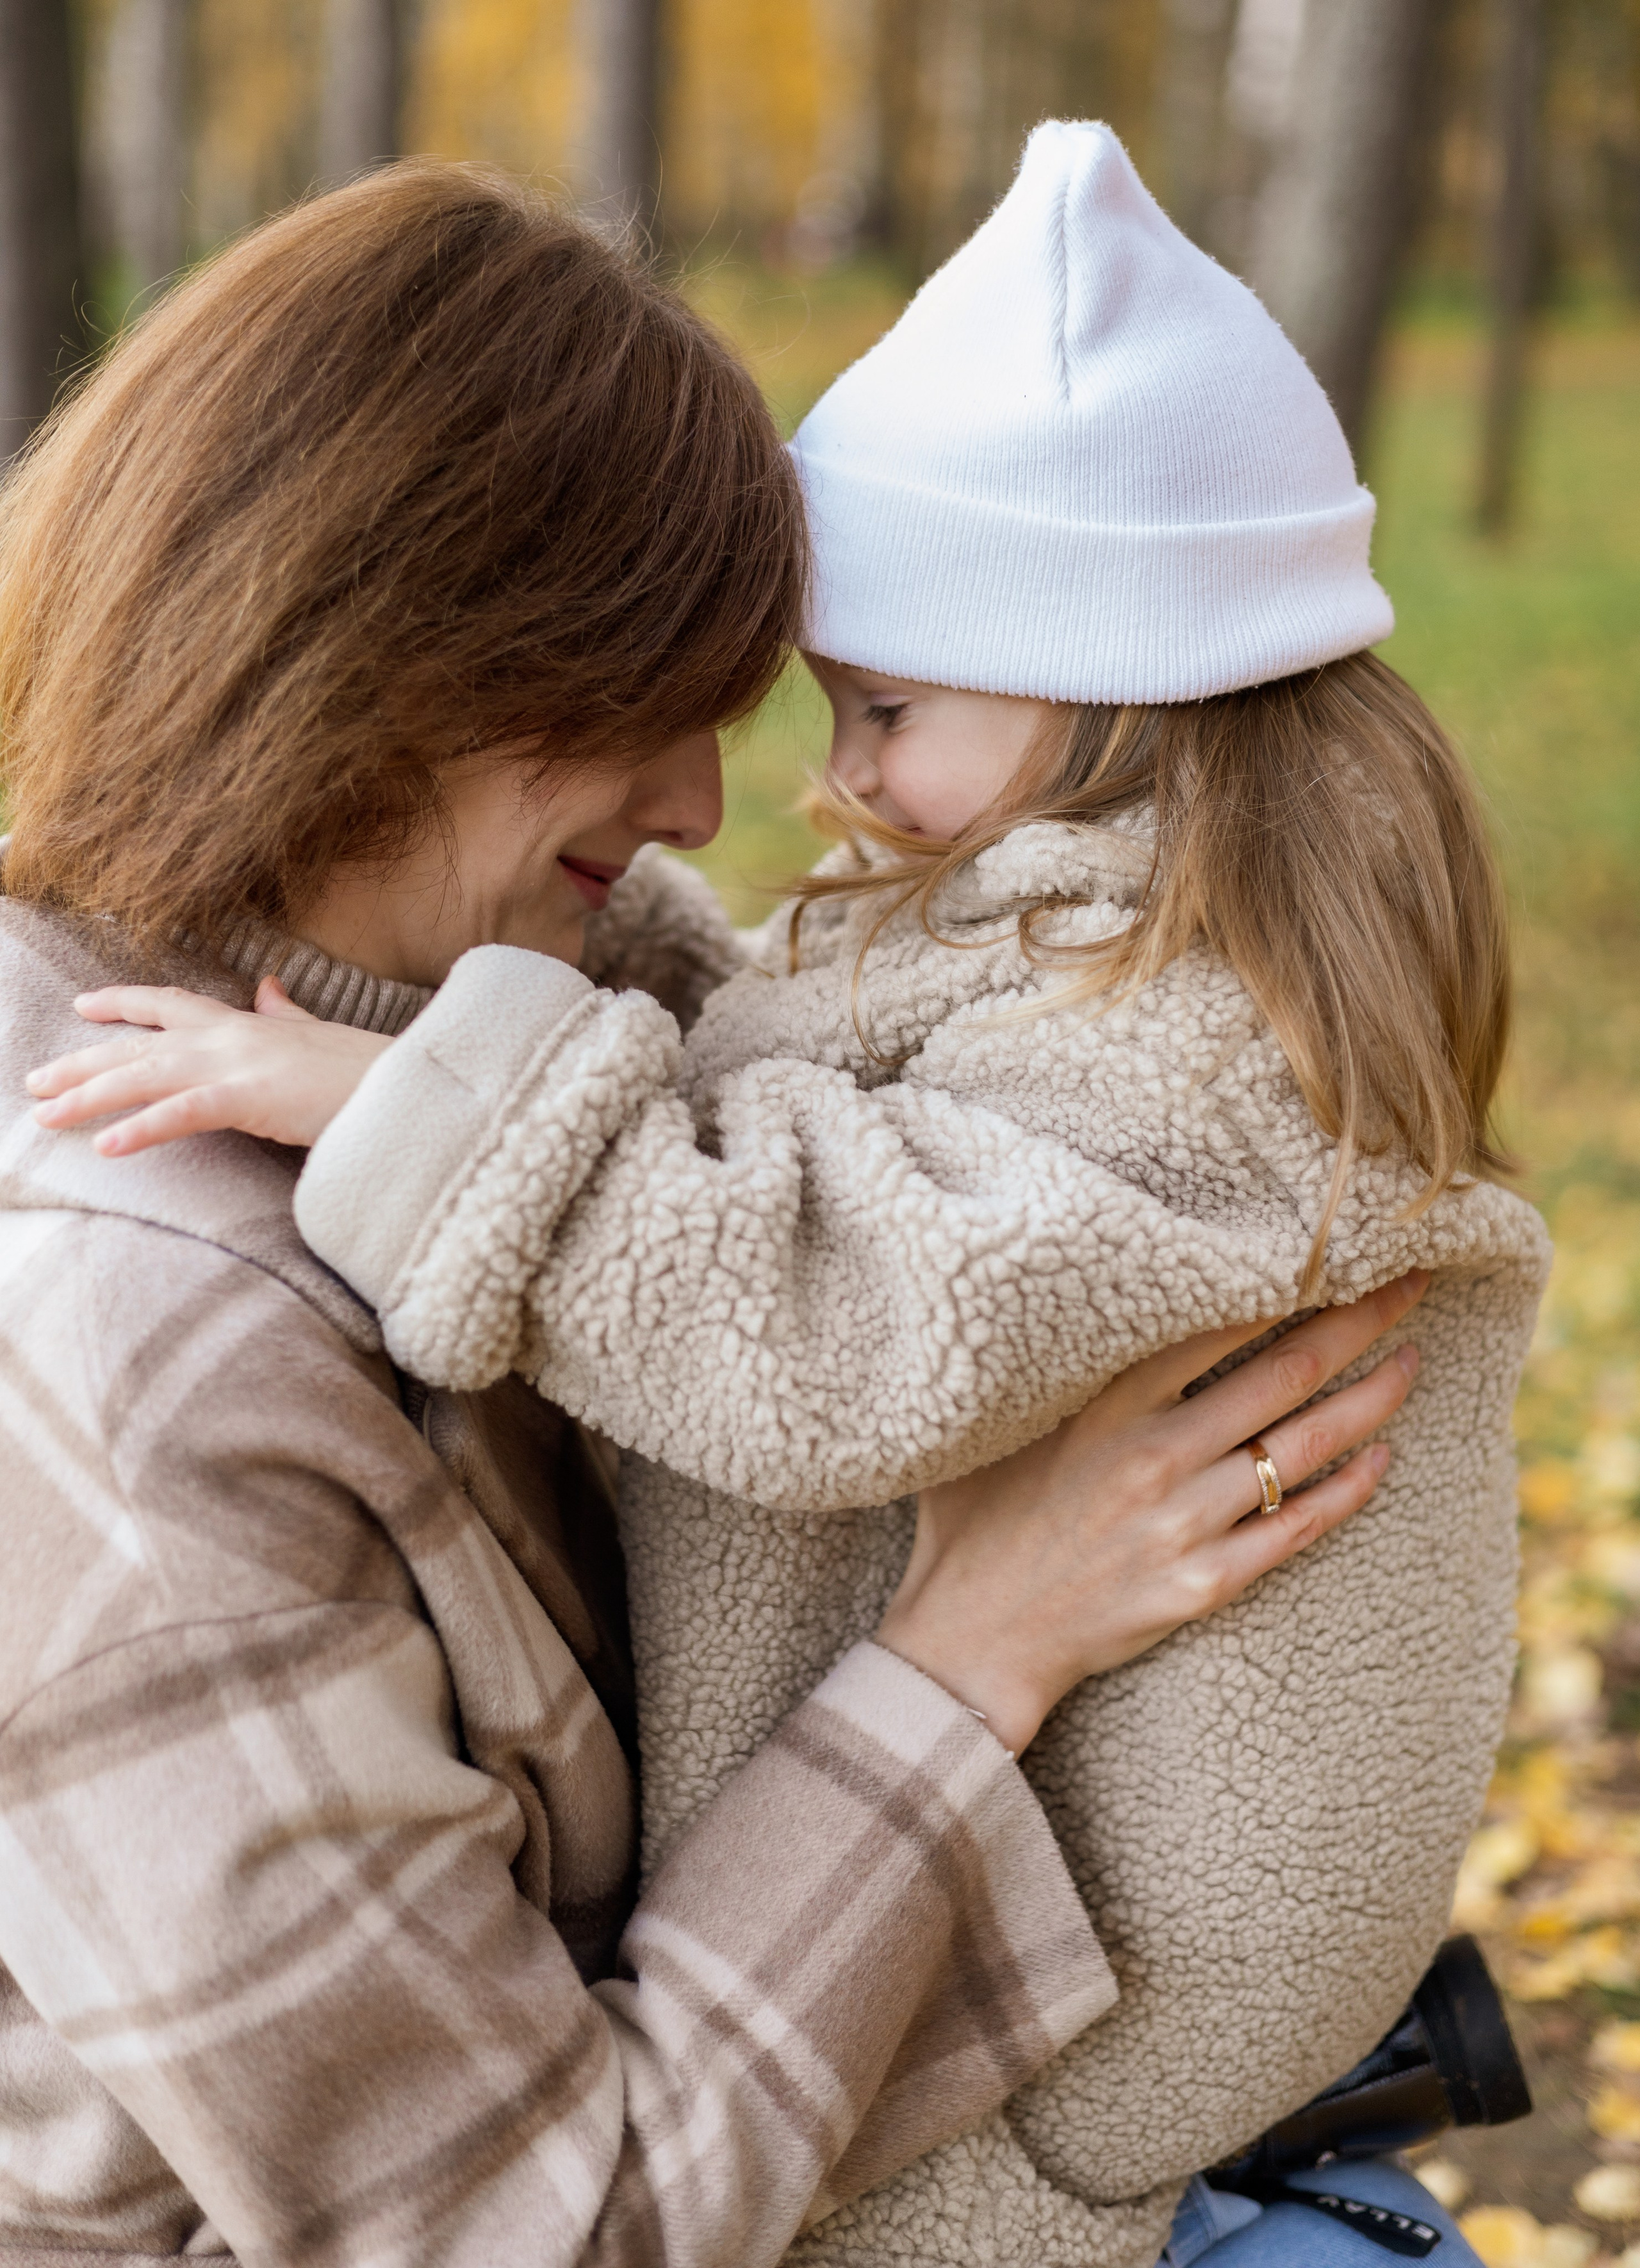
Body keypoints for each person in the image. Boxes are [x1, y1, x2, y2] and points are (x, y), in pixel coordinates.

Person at [28, 131, 1550, 2265]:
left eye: (825, 706)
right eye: (643, 704)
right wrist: (976, 1645)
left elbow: (838, 1220)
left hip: (999, 2093)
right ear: (374, 655)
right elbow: (532, 2231)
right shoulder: (123, 1356)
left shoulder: (575, 963)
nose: (719, 805)